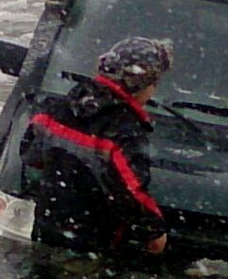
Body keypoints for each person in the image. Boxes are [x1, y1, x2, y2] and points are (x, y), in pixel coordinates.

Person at [19, 37, 173, 256]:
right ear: (142, 86)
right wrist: (154, 231)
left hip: (46, 229)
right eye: (154, 84)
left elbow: (30, 152)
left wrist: (64, 173)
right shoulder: (123, 130)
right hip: (90, 241)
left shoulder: (61, 106)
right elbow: (130, 191)